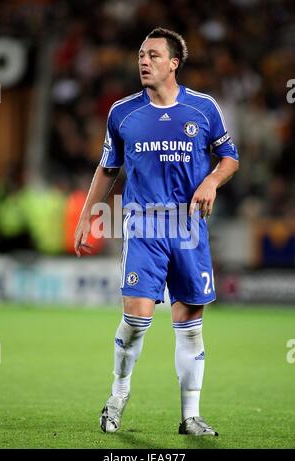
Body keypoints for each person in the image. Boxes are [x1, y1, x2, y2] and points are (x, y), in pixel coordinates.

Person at [74, 27, 239, 436]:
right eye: (140, 55)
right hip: (143, 226)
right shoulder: (122, 113)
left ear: (173, 63)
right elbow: (107, 168)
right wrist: (86, 216)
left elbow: (229, 158)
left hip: (189, 229)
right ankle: (118, 396)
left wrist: (211, 181)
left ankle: (190, 417)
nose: (143, 61)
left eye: (152, 55)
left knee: (191, 324)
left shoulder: (203, 109)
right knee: (136, 320)